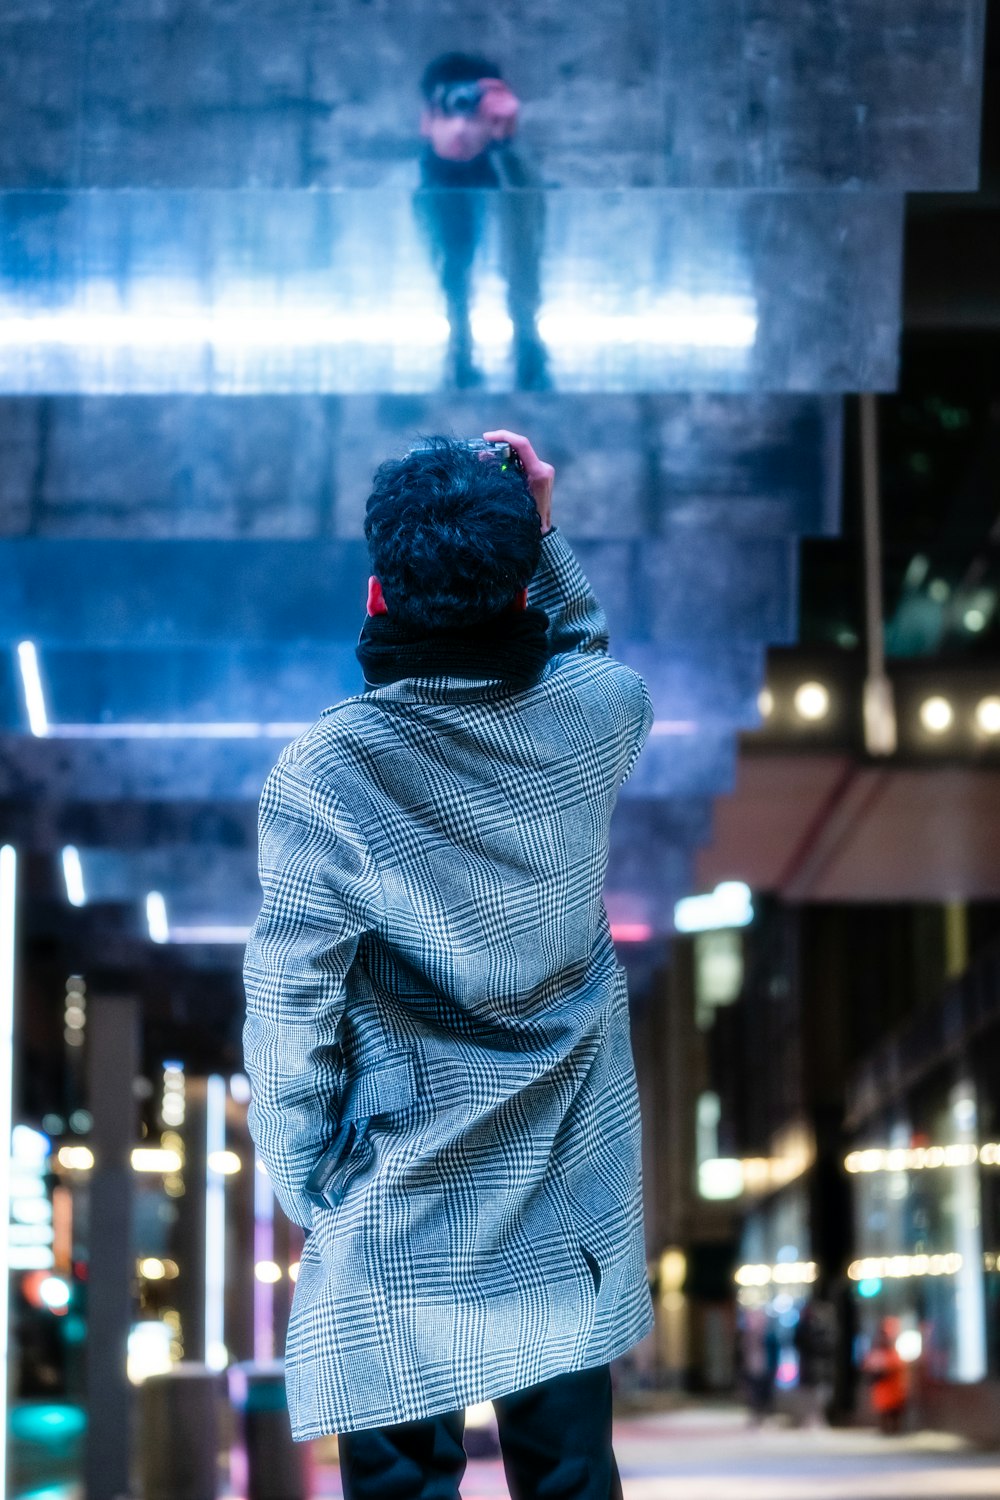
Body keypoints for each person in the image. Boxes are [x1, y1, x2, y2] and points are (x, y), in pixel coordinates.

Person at [242, 430, 654, 1499]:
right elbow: (583, 649)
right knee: (569, 1481)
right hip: (562, 1208)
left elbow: (289, 1005)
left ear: (379, 591)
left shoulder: (326, 775)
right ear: (522, 584)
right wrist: (544, 535)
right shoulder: (599, 722)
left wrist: (308, 1184)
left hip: (397, 1213)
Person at [414, 53, 549, 390]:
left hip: (492, 172)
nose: (461, 119)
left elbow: (527, 230)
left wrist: (506, 139)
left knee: (517, 262)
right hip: (441, 181)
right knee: (452, 270)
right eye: (450, 105)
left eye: (474, 103)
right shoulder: (413, 177)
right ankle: (459, 354)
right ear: (428, 113)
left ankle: (524, 351)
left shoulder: (509, 168)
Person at [861, 1316, 909, 1435]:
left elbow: (895, 1367)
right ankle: (886, 1429)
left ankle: (894, 1430)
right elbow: (868, 1367)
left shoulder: (893, 1354)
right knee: (885, 1412)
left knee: (894, 1413)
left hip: (894, 1391)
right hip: (883, 1391)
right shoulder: (877, 1353)